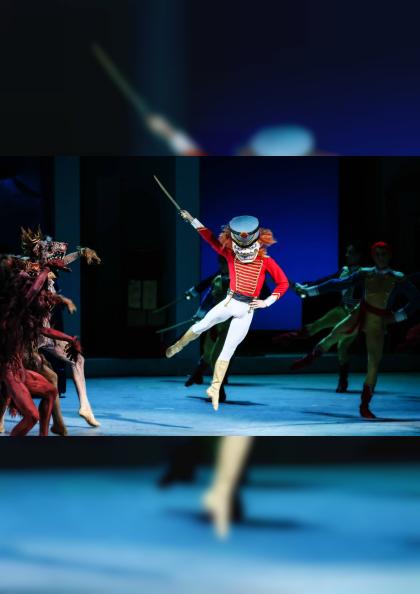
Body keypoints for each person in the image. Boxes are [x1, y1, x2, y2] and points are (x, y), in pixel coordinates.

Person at [166, 210, 289, 410]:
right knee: (203, 325)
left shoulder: (266, 261)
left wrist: (267, 302)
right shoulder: (230, 255)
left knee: (227, 350)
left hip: (246, 309)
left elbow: (283, 283)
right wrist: (192, 220)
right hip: (230, 302)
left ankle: (215, 388)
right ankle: (179, 345)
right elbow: (210, 239)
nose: (244, 248)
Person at [293, 242, 420, 418]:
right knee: (335, 333)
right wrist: (309, 291)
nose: (381, 257)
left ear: (389, 256)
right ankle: (310, 358)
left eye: (384, 254)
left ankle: (365, 405)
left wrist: (398, 316)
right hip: (360, 313)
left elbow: (416, 299)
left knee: (373, 363)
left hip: (377, 322)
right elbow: (337, 284)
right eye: (377, 254)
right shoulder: (365, 273)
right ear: (373, 256)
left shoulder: (397, 278)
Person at [274, 242, 363, 392]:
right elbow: (327, 282)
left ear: (359, 255)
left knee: (342, 347)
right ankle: (291, 337)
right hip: (342, 309)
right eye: (347, 252)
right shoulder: (344, 270)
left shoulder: (364, 274)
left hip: (355, 315)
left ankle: (342, 380)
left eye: (351, 252)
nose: (347, 255)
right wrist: (308, 286)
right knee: (318, 324)